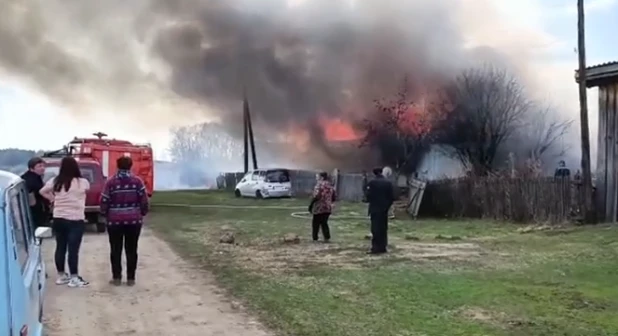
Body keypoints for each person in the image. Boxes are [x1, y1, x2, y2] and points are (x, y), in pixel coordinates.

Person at [39, 156, 90, 288]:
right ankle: (74, 277)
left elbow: (42, 191)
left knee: (60, 247)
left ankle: (61, 276)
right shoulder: (82, 182)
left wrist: (53, 199)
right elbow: (86, 191)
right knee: (73, 249)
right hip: (76, 219)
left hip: (59, 218)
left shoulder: (55, 181)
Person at [101, 156, 149, 286]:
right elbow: (144, 200)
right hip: (134, 221)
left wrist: (105, 214)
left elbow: (104, 200)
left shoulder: (110, 182)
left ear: (117, 166)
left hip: (114, 222)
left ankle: (117, 278)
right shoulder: (137, 181)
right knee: (132, 249)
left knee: (115, 249)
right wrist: (142, 213)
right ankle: (131, 278)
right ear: (130, 166)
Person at [366, 167, 394, 254]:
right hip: (384, 210)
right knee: (383, 228)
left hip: (374, 209)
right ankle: (383, 247)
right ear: (382, 172)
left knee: (375, 229)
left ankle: (375, 247)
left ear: (374, 173)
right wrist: (386, 206)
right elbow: (392, 197)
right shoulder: (388, 183)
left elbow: (368, 196)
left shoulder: (372, 183)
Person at [21, 157, 50, 229]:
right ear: (31, 169)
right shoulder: (31, 180)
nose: (43, 168)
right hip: (33, 212)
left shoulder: (36, 177)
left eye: (43, 166)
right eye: (39, 166)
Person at [308, 171, 336, 243]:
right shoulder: (330, 185)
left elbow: (316, 196)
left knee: (315, 223)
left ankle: (315, 238)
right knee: (324, 223)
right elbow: (334, 196)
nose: (316, 178)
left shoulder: (319, 185)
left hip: (319, 207)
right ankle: (327, 238)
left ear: (322, 177)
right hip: (327, 207)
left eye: (317, 176)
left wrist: (311, 205)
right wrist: (331, 203)